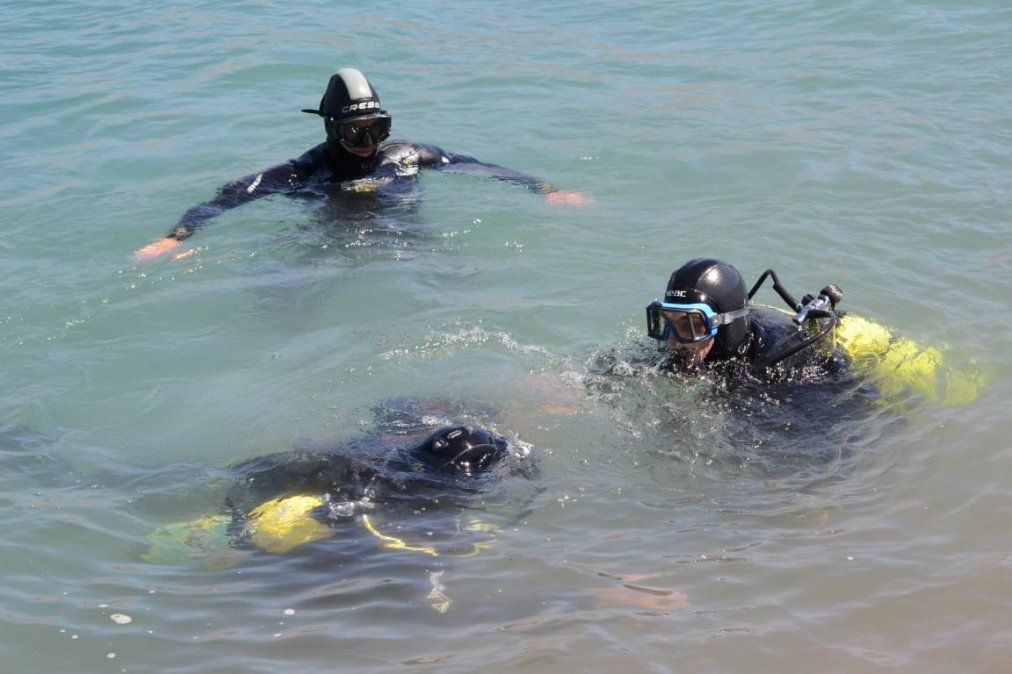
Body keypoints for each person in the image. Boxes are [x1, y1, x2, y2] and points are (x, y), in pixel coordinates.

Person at [135, 68, 587, 260]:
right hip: (331, 245)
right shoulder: (306, 172)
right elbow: (228, 199)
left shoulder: (407, 156)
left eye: (379, 128)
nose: (369, 142)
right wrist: (175, 237)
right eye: (356, 132)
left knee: (457, 280)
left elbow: (479, 167)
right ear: (332, 128)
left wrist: (546, 189)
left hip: (404, 240)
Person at [645, 258, 982, 405]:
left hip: (841, 376)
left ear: (726, 325)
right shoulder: (687, 347)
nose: (673, 341)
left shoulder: (778, 374)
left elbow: (830, 448)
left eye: (689, 326)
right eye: (667, 322)